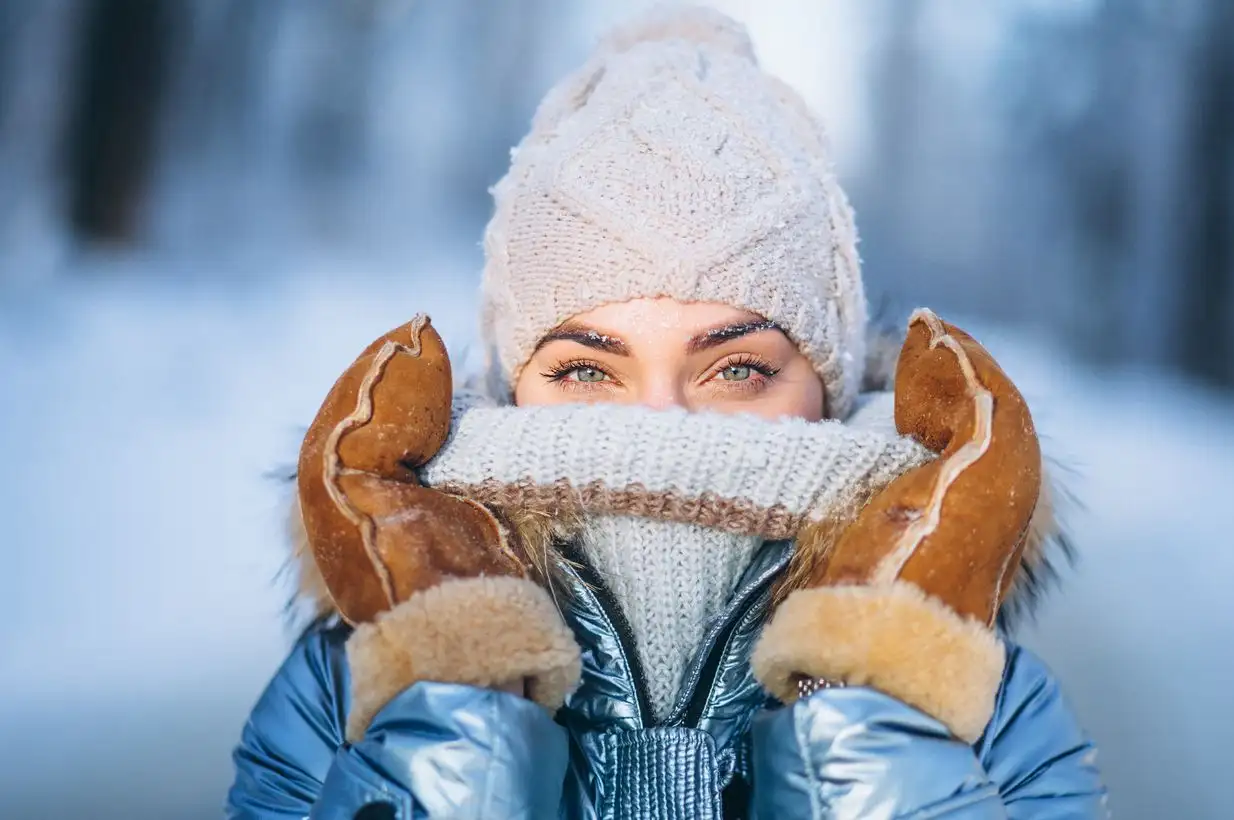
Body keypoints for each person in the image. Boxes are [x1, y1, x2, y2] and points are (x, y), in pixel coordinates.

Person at [226, 7, 1107, 818]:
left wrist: (877, 723)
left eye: (735, 370)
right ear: (509, 384)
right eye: (583, 372)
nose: (658, 427)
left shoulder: (976, 700)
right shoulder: (354, 688)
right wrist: (451, 726)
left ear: (829, 391)